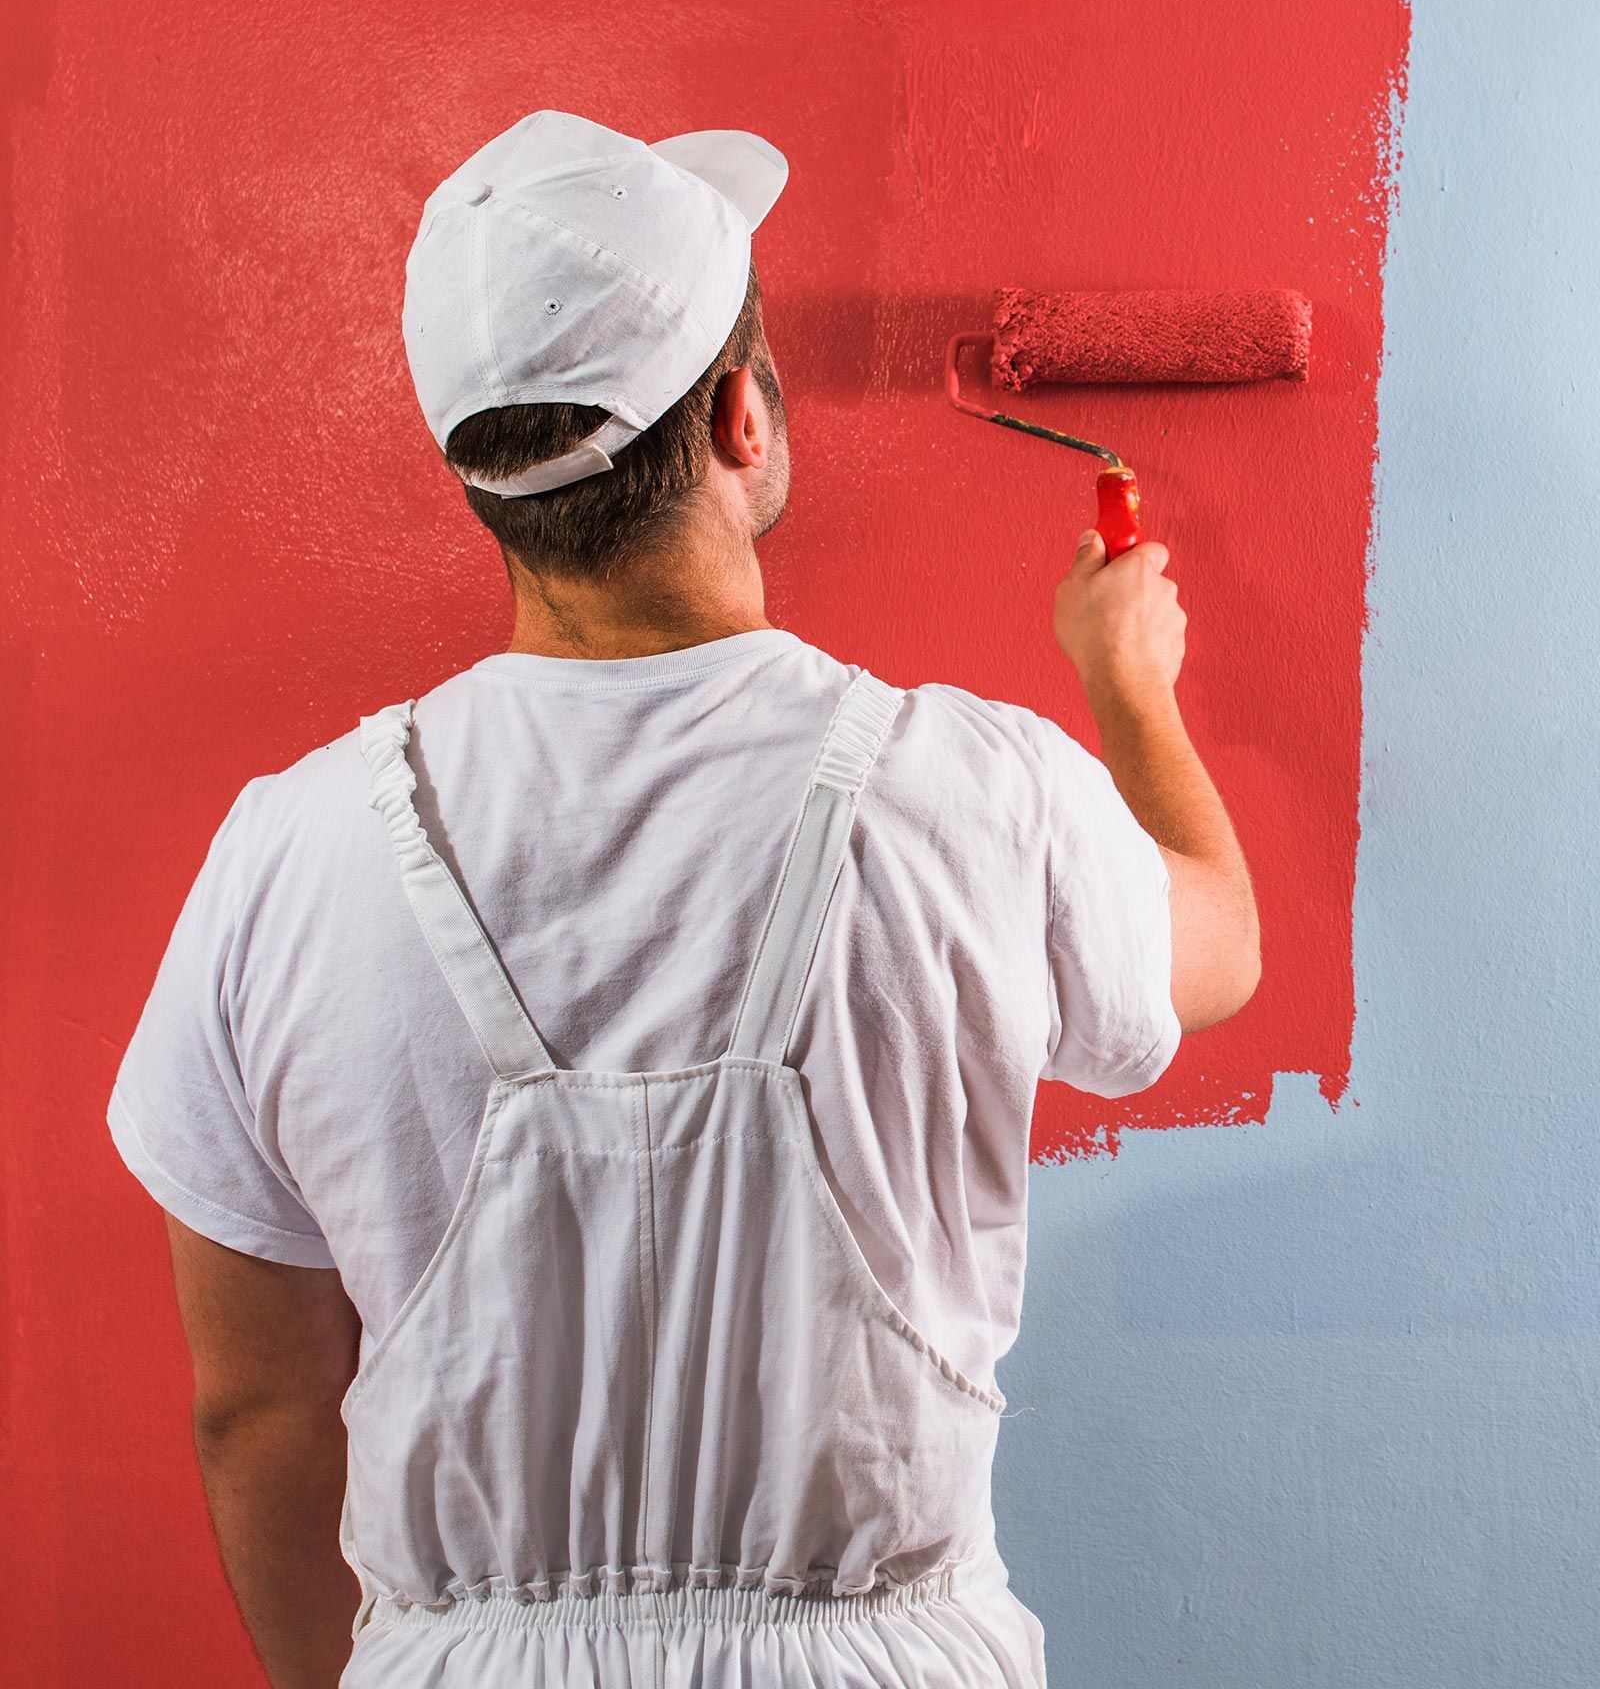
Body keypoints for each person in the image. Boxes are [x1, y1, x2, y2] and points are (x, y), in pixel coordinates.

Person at [106, 109, 1260, 1689]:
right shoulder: (973, 789)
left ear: (478, 473)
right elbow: (1217, 943)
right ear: (742, 421)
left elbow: (258, 1410)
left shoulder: (284, 855)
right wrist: (1132, 693)